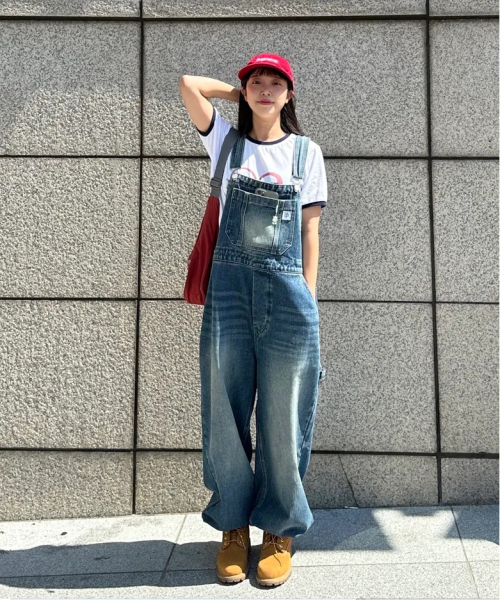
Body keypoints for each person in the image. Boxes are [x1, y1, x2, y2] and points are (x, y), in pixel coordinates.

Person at [179, 53, 327, 587]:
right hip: (230, 296)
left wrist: (308, 302)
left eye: (276, 83)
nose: (266, 90)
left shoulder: (306, 153)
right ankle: (233, 527)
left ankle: (279, 530)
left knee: (284, 418)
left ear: (290, 94)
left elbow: (309, 232)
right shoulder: (226, 142)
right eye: (256, 83)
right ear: (245, 92)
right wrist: (235, 92)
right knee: (224, 412)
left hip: (289, 299)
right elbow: (189, 84)